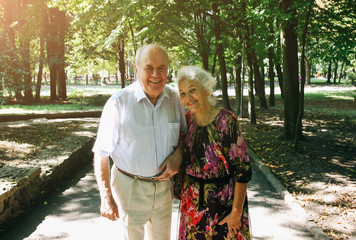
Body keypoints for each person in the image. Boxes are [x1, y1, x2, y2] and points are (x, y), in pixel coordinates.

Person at [92, 44, 187, 240]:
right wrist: (105, 197)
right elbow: (101, 153)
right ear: (136, 70)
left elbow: (184, 135)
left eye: (161, 68)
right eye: (148, 68)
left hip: (163, 188)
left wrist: (178, 153)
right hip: (130, 188)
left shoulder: (175, 99)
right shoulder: (118, 103)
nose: (156, 74)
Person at [175, 66, 252, 240]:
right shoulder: (187, 121)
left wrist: (236, 212)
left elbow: (242, 171)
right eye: (182, 93)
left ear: (206, 90)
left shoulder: (226, 121)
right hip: (192, 204)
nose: (187, 98)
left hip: (223, 203)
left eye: (192, 90)